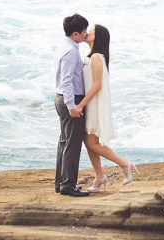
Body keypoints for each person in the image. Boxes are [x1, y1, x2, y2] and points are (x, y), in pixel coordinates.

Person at [76, 24, 138, 191]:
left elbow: (96, 85)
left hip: (94, 105)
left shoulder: (96, 57)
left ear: (98, 37)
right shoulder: (93, 56)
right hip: (92, 104)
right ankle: (99, 176)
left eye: (91, 31)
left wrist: (81, 104)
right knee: (89, 142)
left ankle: (125, 165)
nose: (87, 32)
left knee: (92, 143)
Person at [53, 13, 90, 197]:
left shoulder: (64, 46)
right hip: (70, 99)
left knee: (64, 142)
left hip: (62, 98)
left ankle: (61, 183)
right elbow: (67, 80)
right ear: (75, 33)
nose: (86, 34)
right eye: (84, 31)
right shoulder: (71, 51)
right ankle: (68, 185)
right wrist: (71, 105)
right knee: (72, 144)